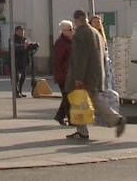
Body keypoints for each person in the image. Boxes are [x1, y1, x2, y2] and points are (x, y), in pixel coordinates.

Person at [65, 9, 126, 140]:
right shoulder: (95, 33)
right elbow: (103, 55)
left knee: (83, 100)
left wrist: (78, 78)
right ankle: (82, 130)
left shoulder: (80, 34)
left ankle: (116, 120)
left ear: (76, 20)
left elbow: (80, 58)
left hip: (85, 76)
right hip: (97, 74)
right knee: (89, 100)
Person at [53, 20, 74, 126]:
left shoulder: (70, 41)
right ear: (64, 31)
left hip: (69, 74)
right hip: (63, 75)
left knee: (67, 97)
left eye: (72, 28)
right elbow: (58, 60)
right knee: (68, 98)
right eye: (70, 29)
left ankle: (59, 116)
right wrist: (62, 74)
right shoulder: (61, 42)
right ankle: (71, 120)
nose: (72, 31)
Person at [90, 15, 113, 90]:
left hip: (105, 61)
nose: (97, 23)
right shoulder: (91, 34)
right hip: (95, 63)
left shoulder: (102, 34)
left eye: (99, 22)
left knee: (107, 83)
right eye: (95, 22)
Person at [13, 26, 32, 98]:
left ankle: (20, 91)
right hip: (15, 61)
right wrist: (23, 46)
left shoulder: (25, 39)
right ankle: (16, 92)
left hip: (23, 60)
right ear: (16, 31)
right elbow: (15, 47)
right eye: (21, 31)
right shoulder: (12, 39)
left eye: (23, 31)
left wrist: (32, 45)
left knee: (23, 77)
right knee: (16, 78)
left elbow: (28, 46)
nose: (22, 33)